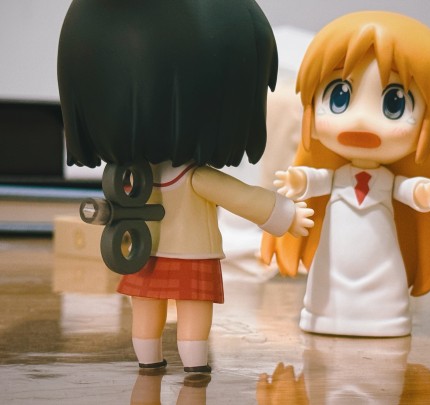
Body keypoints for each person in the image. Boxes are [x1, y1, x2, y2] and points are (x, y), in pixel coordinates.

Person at [58, 0, 313, 372]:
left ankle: (160, 359)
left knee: (155, 308)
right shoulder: (165, 177)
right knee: (178, 309)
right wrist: (284, 215)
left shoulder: (141, 176)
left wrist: (283, 215)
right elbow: (241, 197)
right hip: (178, 253)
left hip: (145, 253)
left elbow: (239, 196)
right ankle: (185, 361)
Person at [261, 11, 430, 337]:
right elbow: (318, 180)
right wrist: (300, 181)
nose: (361, 121)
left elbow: (405, 190)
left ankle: (386, 317)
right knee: (326, 283)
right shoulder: (337, 176)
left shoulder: (386, 182)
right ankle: (322, 313)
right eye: (339, 97)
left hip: (381, 267)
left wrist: (420, 192)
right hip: (332, 267)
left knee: (385, 285)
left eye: (394, 104)